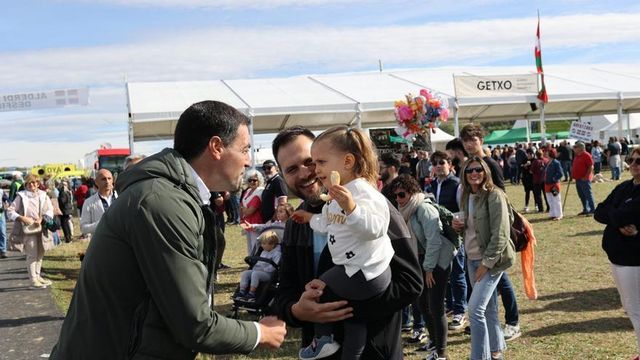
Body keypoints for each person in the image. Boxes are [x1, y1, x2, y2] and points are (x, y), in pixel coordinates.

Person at [50, 101, 286, 359]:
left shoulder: (173, 196)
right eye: (245, 149)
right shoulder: (162, 203)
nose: (248, 160)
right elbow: (195, 324)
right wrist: (260, 332)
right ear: (216, 147)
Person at [272, 126, 423, 360]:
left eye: (312, 161)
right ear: (282, 176)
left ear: (344, 161)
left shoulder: (369, 205)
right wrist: (297, 311)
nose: (306, 172)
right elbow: (286, 289)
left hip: (376, 351)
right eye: (291, 169)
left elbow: (410, 283)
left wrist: (345, 311)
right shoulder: (298, 223)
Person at [290, 125, 394, 359]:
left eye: (321, 163)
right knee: (352, 318)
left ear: (347, 161)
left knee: (319, 287)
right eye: (315, 163)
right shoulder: (337, 194)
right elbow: (328, 223)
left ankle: (323, 338)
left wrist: (353, 209)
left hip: (366, 272)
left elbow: (376, 230)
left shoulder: (364, 194)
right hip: (353, 269)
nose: (316, 170)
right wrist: (309, 219)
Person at [459, 124, 522, 342]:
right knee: (498, 280)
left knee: (501, 276)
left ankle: (513, 321)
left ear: (481, 141)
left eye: (473, 139)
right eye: (466, 140)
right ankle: (492, 330)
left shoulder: (490, 164)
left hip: (495, 231)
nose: (469, 143)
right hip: (477, 236)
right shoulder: (467, 165)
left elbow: (501, 195)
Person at [452, 157, 516, 360]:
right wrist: (458, 227)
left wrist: (486, 263)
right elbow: (470, 228)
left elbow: (501, 234)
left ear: (485, 171)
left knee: (474, 309)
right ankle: (496, 351)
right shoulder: (466, 195)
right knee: (488, 308)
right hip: (471, 257)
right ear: (464, 174)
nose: (474, 173)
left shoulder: (495, 195)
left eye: (478, 169)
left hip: (492, 260)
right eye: (469, 170)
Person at [392, 174, 456, 360]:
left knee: (435, 306)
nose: (398, 199)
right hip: (422, 259)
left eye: (402, 194)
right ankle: (434, 342)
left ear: (412, 192)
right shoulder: (406, 210)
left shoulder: (424, 209)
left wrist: (429, 269)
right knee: (421, 303)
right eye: (396, 195)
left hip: (437, 261)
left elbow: (434, 241)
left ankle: (441, 353)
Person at [594, 147, 640, 360]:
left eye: (639, 161)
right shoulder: (623, 187)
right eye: (632, 160)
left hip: (634, 259)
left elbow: (628, 213)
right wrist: (617, 220)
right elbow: (599, 211)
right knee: (629, 306)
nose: (634, 164)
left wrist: (614, 216)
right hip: (617, 257)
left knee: (635, 309)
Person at [425, 151, 467, 333]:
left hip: (455, 237)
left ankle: (460, 311)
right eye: (435, 163)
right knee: (444, 274)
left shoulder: (457, 185)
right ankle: (450, 305)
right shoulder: (431, 185)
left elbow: (462, 210)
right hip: (438, 237)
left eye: (442, 162)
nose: (438, 165)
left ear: (450, 164)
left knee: (458, 274)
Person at [6, 174, 55, 288]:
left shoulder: (43, 195)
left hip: (41, 228)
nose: (32, 185)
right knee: (32, 254)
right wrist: (22, 218)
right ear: (26, 184)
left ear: (38, 183)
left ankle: (38, 277)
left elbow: (50, 209)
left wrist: (41, 219)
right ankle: (33, 280)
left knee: (40, 253)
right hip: (27, 230)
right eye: (29, 183)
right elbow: (10, 211)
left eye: (34, 182)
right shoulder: (21, 196)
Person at [236, 230, 282, 301]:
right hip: (259, 271)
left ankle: (251, 293)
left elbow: (274, 267)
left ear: (272, 245)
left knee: (255, 274)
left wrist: (262, 269)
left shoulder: (277, 254)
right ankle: (242, 291)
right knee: (245, 273)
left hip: (268, 274)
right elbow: (259, 263)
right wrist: (256, 268)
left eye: (264, 243)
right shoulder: (264, 252)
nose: (261, 245)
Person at [80, 169, 117, 236]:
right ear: (96, 182)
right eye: (103, 179)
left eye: (109, 178)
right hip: (102, 242)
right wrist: (100, 224)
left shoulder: (120, 197)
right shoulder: (89, 202)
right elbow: (83, 228)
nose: (107, 181)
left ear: (112, 180)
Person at [241, 169, 264, 255]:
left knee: (256, 245)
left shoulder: (259, 192)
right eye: (250, 180)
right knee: (250, 246)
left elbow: (249, 211)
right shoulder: (248, 191)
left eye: (255, 180)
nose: (252, 182)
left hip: (256, 222)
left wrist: (244, 209)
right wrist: (244, 210)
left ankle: (256, 262)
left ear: (259, 180)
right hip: (247, 222)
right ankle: (251, 262)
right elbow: (241, 207)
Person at [571, 141, 596, 216]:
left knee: (588, 194)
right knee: (581, 195)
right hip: (578, 179)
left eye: (576, 147)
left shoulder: (586, 155)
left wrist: (586, 176)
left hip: (584, 179)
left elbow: (591, 166)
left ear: (581, 148)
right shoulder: (577, 155)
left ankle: (592, 209)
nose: (574, 149)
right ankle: (586, 209)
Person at [544, 149, 564, 221]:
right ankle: (552, 214)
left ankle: (559, 215)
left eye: (547, 153)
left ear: (550, 154)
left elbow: (560, 173)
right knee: (550, 200)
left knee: (556, 200)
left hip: (554, 184)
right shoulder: (548, 162)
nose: (545, 154)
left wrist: (554, 178)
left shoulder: (556, 163)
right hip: (547, 184)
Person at [520, 148, 535, 213]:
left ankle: (536, 205)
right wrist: (525, 165)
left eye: (530, 154)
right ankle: (526, 206)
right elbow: (521, 166)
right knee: (527, 192)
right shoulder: (525, 160)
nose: (528, 155)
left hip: (533, 178)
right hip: (526, 179)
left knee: (535, 193)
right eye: (528, 154)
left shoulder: (534, 160)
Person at [0, 191, 8, 258]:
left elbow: (7, 200)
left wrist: (6, 204)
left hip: (0, 213)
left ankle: (3, 250)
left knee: (2, 232)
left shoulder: (2, 192)